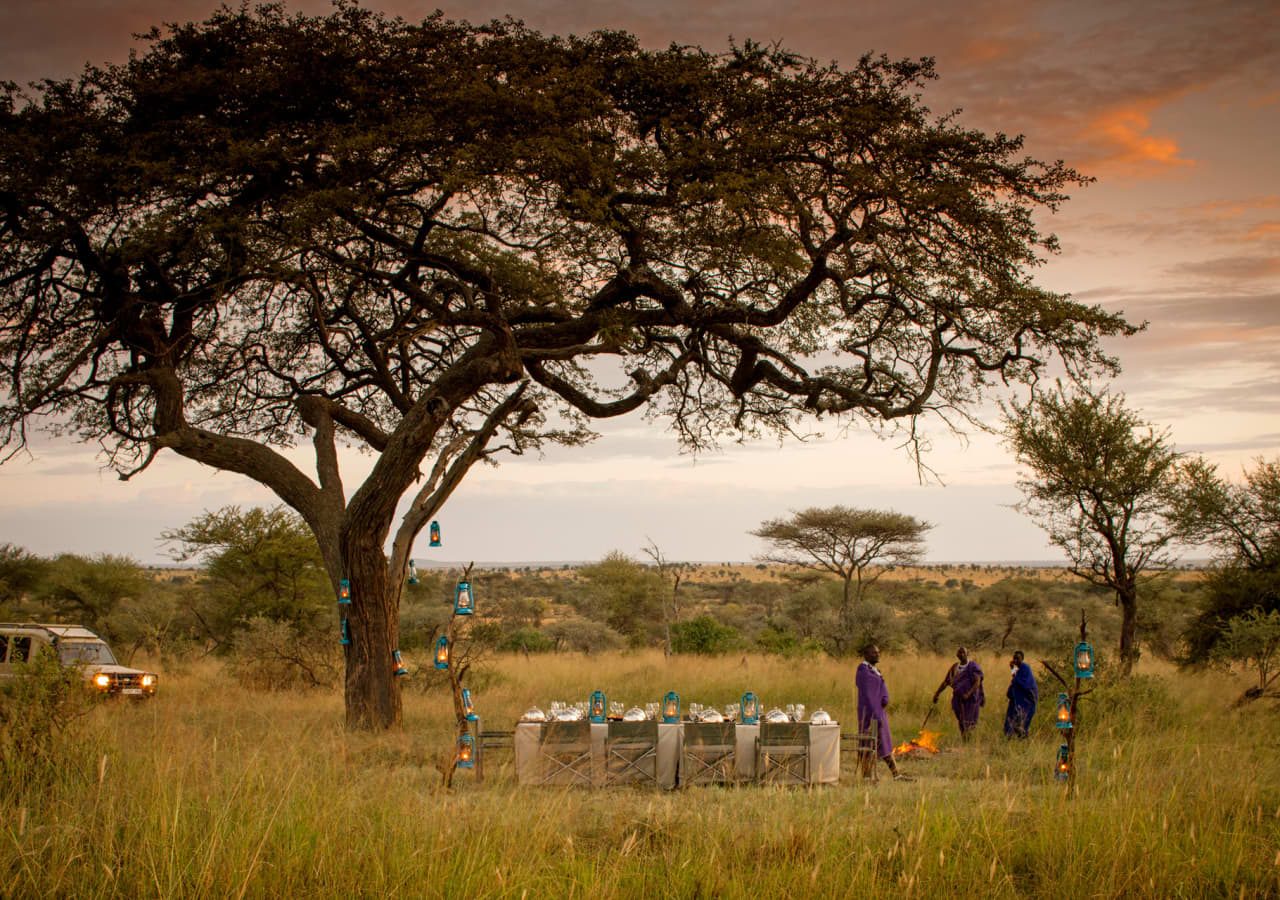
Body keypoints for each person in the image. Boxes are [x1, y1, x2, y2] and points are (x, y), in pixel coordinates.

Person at [855, 644, 908, 780]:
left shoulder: (873, 670)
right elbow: (868, 694)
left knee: (884, 742)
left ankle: (896, 774)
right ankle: (867, 776)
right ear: (866, 655)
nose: (877, 655)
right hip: (870, 713)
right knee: (868, 743)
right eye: (874, 653)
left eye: (878, 652)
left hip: (878, 712)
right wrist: (876, 714)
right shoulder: (863, 670)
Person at [932, 646, 984, 738]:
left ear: (967, 654)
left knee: (968, 721)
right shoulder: (955, 667)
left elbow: (977, 682)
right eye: (959, 652)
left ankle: (968, 740)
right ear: (957, 654)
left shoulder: (973, 666)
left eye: (963, 652)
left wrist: (968, 694)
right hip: (958, 699)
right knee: (961, 720)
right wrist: (937, 693)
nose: (961, 654)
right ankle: (964, 738)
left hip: (970, 699)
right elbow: (946, 682)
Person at [1003, 650, 1038, 739]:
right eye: (1014, 658)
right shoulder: (1019, 670)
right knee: (1014, 719)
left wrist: (1013, 672)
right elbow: (1016, 680)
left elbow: (1024, 684)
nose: (1015, 660)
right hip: (1020, 700)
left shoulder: (1025, 668)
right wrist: (1012, 668)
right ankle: (1013, 738)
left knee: (1022, 721)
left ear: (1022, 659)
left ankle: (1023, 738)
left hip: (1028, 699)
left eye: (1017, 658)